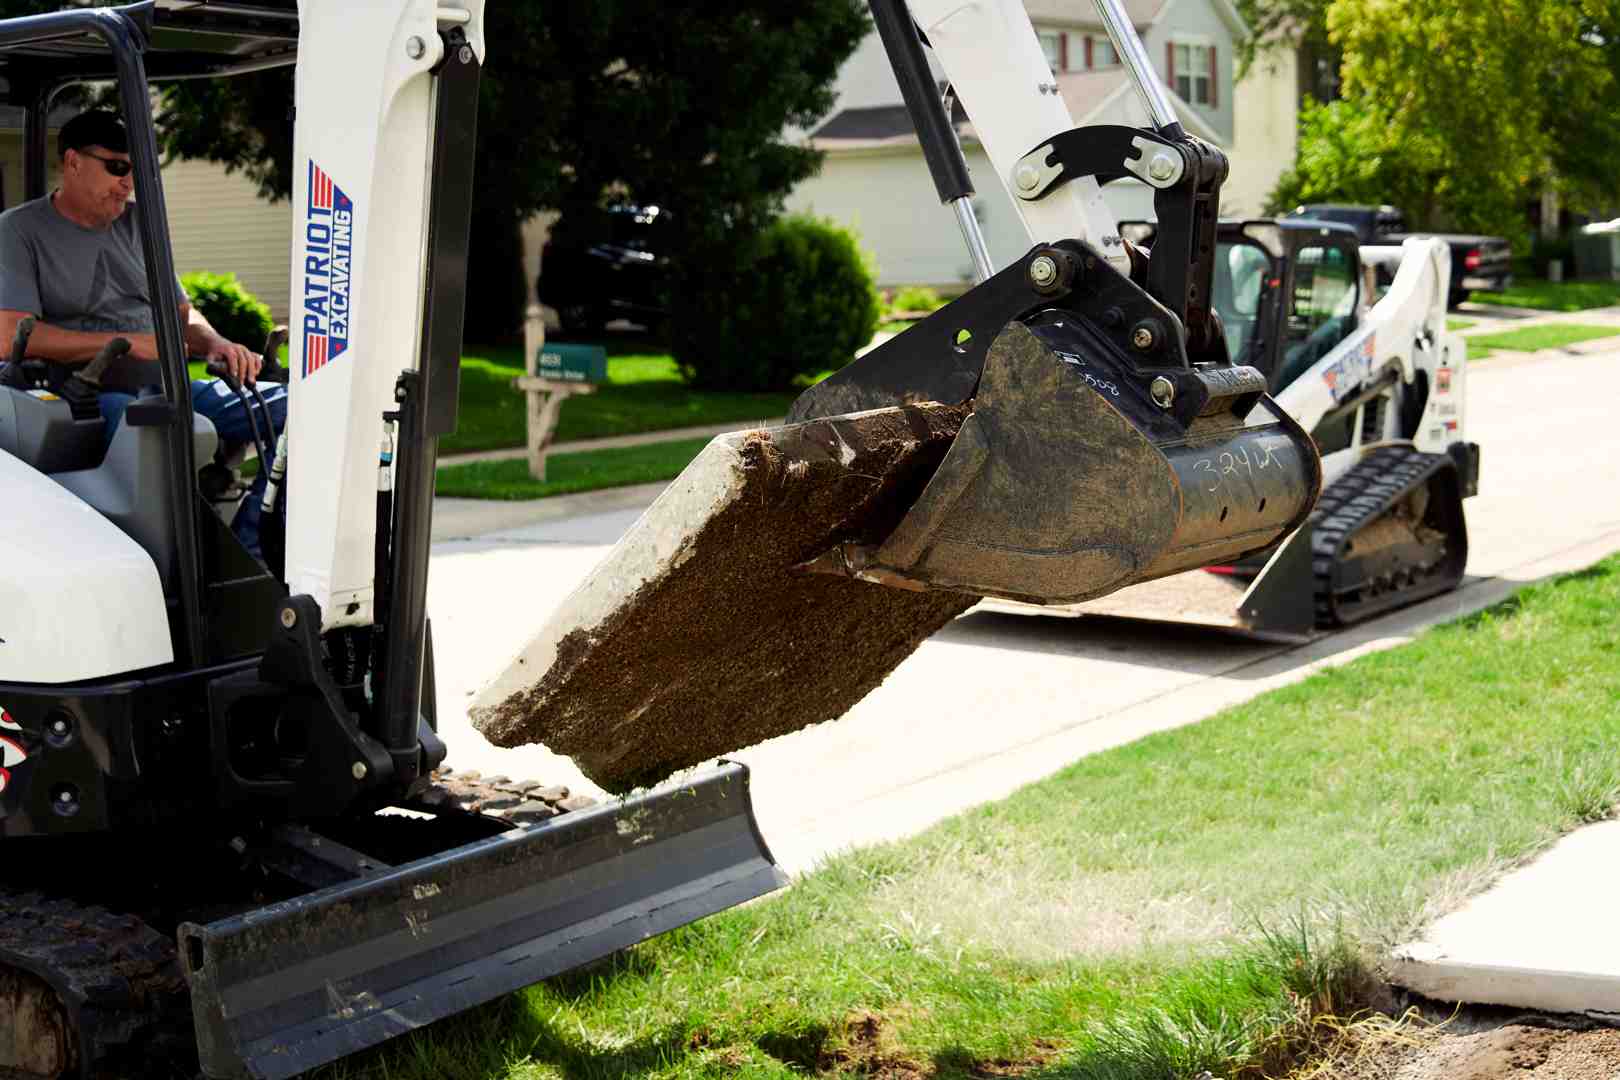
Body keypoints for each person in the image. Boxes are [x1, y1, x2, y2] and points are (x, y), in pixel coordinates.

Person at [0, 109, 286, 557]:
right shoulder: (19, 230)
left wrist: (217, 344)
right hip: (89, 398)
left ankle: (252, 554)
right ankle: (183, 578)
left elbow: (180, 316)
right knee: (180, 431)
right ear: (73, 162)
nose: (128, 180)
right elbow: (10, 334)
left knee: (304, 413)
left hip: (170, 384)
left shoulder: (141, 225)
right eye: (117, 167)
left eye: (135, 169)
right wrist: (125, 345)